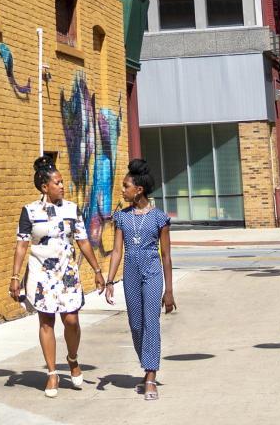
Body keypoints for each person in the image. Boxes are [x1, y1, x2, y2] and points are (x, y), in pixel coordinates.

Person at [10, 155, 106, 397]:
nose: (62, 186)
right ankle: (52, 374)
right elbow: (21, 245)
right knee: (46, 321)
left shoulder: (72, 210)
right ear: (45, 187)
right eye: (57, 183)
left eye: (62, 182)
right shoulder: (29, 211)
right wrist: (15, 276)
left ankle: (72, 359)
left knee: (71, 319)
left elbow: (83, 241)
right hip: (41, 272)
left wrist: (96, 270)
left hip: (67, 272)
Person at [104, 159, 176, 402]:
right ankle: (146, 370)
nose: (122, 191)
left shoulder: (159, 218)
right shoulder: (122, 217)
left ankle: (151, 376)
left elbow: (166, 255)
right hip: (131, 272)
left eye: (126, 187)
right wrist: (109, 281)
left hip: (153, 270)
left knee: (151, 323)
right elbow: (116, 252)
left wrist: (169, 291)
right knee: (135, 324)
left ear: (139, 190)